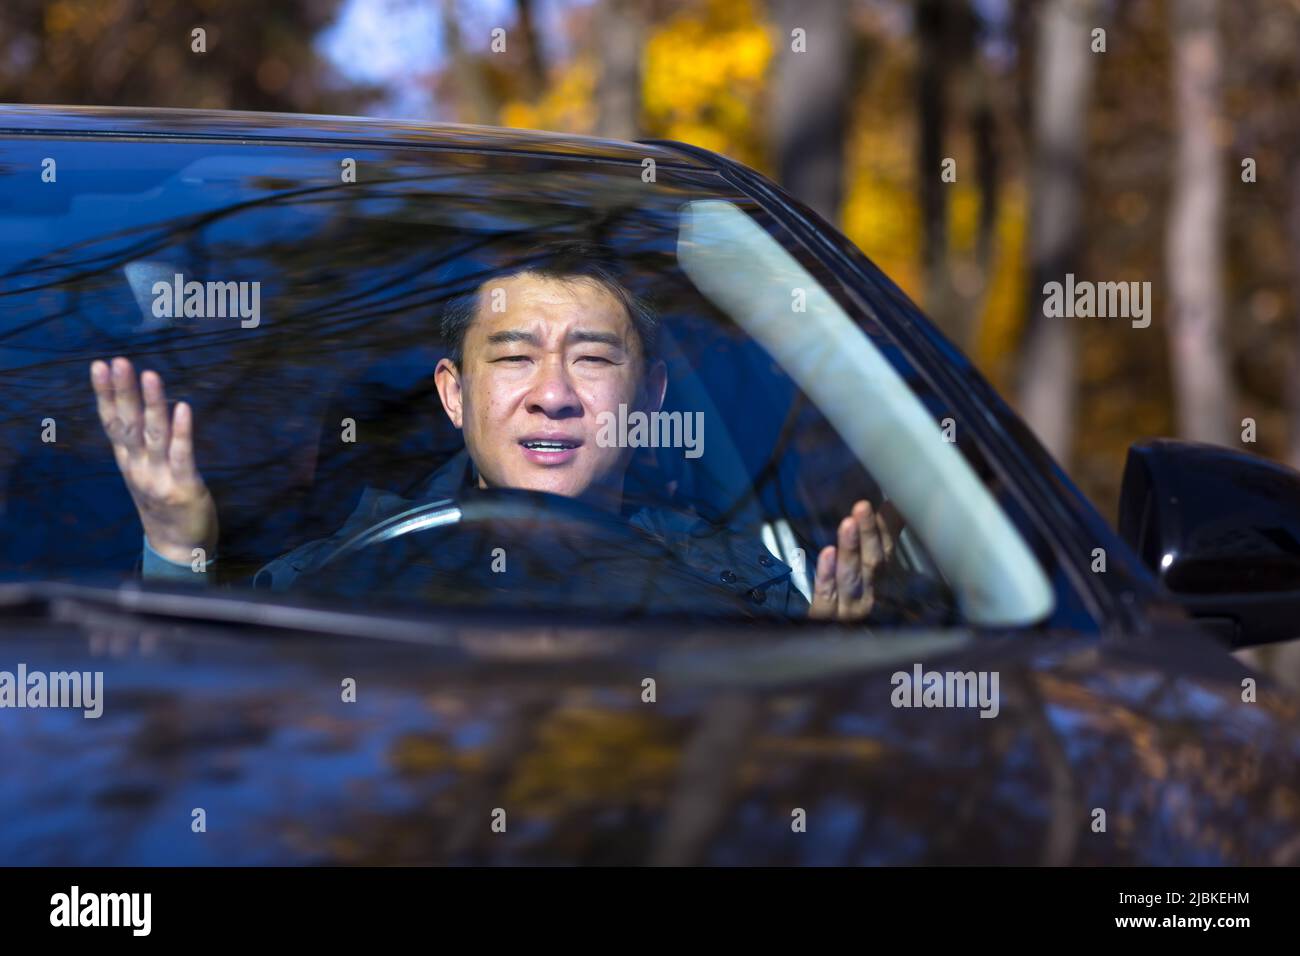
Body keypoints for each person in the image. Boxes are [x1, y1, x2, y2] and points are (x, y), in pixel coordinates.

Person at [89, 243, 894, 621]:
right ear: (454, 394)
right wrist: (176, 553)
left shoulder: (740, 584)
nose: (553, 395)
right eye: (514, 359)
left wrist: (822, 663)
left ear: (648, 397)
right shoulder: (336, 573)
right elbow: (196, 715)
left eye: (590, 359)